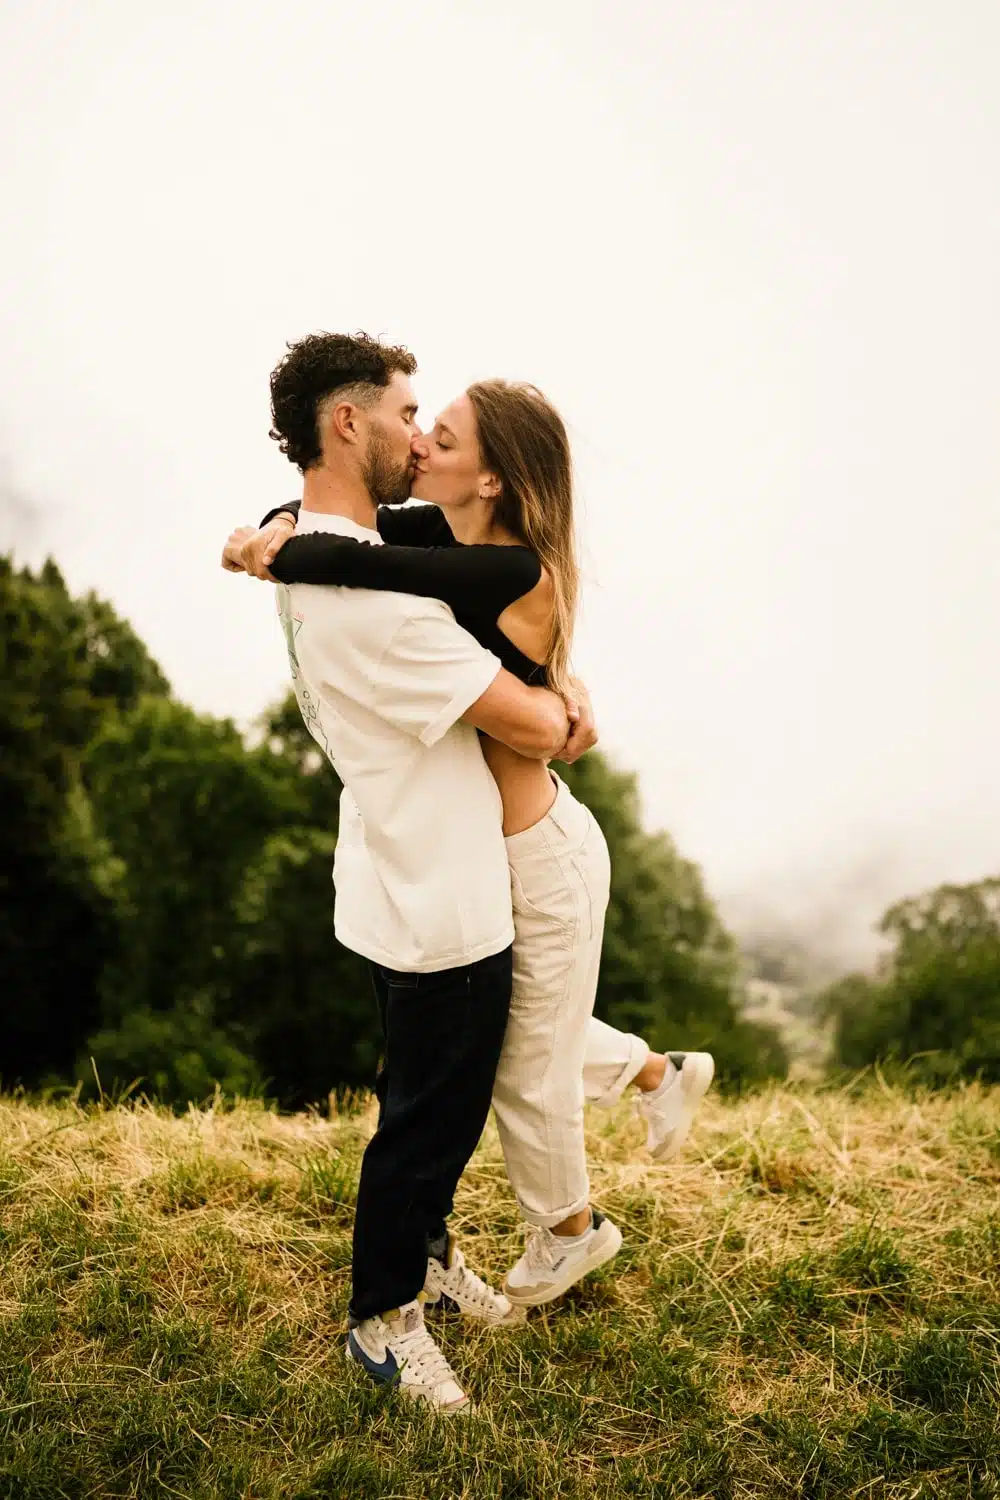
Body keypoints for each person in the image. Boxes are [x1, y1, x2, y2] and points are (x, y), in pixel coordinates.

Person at [227, 362, 715, 1312]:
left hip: (541, 851)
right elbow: (342, 522)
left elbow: (368, 564)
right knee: (507, 1045)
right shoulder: (440, 525)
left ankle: (568, 1234)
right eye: (419, 425)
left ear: (489, 479)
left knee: (524, 1073)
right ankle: (658, 1075)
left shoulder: (508, 562)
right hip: (494, 847)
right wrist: (278, 526)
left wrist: (271, 553)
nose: (419, 445)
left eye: (439, 437)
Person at [228, 332, 597, 1414]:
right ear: (347, 423)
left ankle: (428, 1262)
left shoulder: (326, 546)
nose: (416, 435)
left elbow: (363, 543)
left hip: (395, 863)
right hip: (445, 898)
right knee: (429, 1121)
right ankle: (383, 1321)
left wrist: (268, 532)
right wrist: (570, 708)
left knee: (427, 1097)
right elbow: (528, 720)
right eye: (402, 414)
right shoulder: (378, 607)